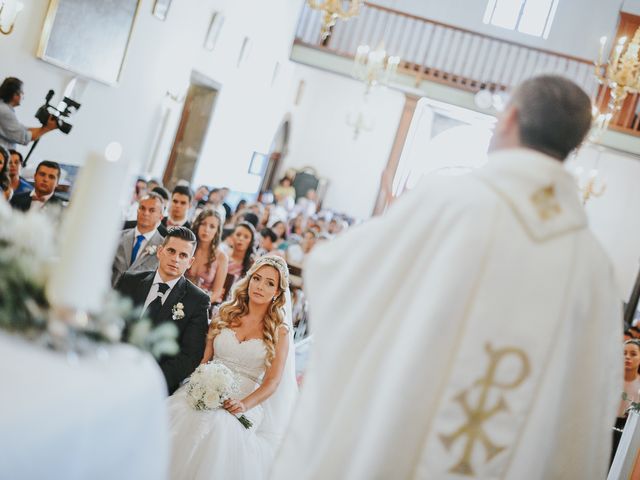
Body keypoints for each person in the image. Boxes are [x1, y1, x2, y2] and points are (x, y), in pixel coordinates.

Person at [272, 75, 623, 479]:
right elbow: (585, 406)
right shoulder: (594, 267)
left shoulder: (449, 201)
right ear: (575, 145)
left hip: (399, 440)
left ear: (509, 119)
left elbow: (340, 276)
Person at [167, 255, 297, 479]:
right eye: (257, 278)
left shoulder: (280, 331)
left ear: (277, 292)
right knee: (184, 415)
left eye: (269, 283)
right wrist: (198, 385)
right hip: (204, 390)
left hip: (245, 401)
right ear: (249, 280)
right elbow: (204, 361)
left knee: (220, 428)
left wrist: (243, 405)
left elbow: (273, 382)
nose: (260, 286)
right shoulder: (224, 314)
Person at [116, 227, 210, 394]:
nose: (175, 259)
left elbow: (190, 356)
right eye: (171, 251)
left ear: (190, 262)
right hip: (113, 366)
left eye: (183, 255)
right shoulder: (129, 281)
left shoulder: (197, 301)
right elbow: (109, 323)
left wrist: (149, 380)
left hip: (153, 384)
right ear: (160, 251)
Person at [111, 192, 165, 286]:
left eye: (152, 210)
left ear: (160, 217)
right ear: (137, 210)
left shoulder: (164, 247)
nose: (145, 213)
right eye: (142, 208)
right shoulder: (118, 236)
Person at [0, 77, 57, 151]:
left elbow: (22, 128)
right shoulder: (5, 111)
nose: (23, 95)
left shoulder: (3, 108)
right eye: (22, 92)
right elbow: (24, 138)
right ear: (15, 94)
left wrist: (45, 126)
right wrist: (47, 128)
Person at [186, 209, 228, 304]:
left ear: (217, 231)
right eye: (203, 224)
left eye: (212, 226)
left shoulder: (221, 257)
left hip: (202, 302)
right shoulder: (187, 247)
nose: (206, 229)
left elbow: (217, 292)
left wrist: (201, 304)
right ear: (197, 225)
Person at [612, 340, 640, 463]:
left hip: (628, 432)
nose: (627, 357)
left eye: (633, 354)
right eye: (624, 353)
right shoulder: (610, 380)